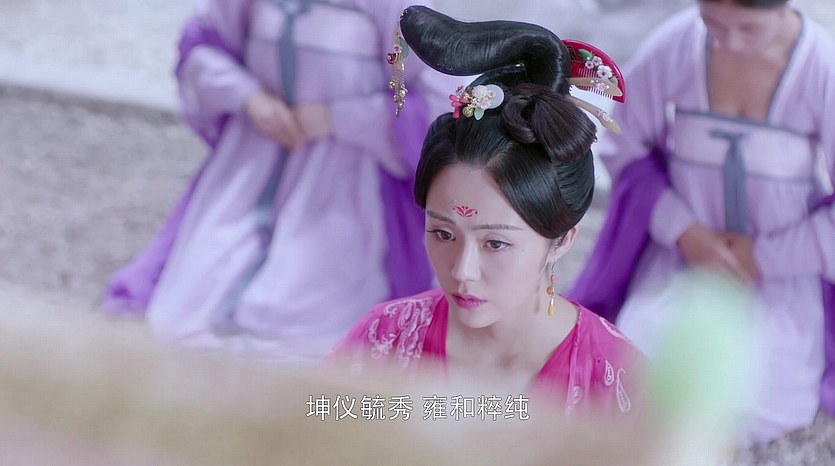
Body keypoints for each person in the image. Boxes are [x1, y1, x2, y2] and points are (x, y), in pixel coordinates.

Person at [330, 5, 645, 419]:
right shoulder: (380, 342)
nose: (462, 271)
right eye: (443, 233)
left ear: (562, 239)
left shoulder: (618, 380)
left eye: (495, 243)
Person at [101, 0, 459, 360]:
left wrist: (338, 118)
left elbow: (437, 104)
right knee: (190, 307)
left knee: (301, 326)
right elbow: (201, 50)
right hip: (247, 171)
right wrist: (248, 96)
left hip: (346, 188)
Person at [569, 0, 835, 444]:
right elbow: (621, 140)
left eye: (749, 29)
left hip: (781, 273)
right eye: (713, 23)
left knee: (758, 405)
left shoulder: (822, 68)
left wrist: (763, 257)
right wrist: (684, 231)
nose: (728, 43)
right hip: (682, 259)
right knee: (633, 377)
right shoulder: (675, 45)